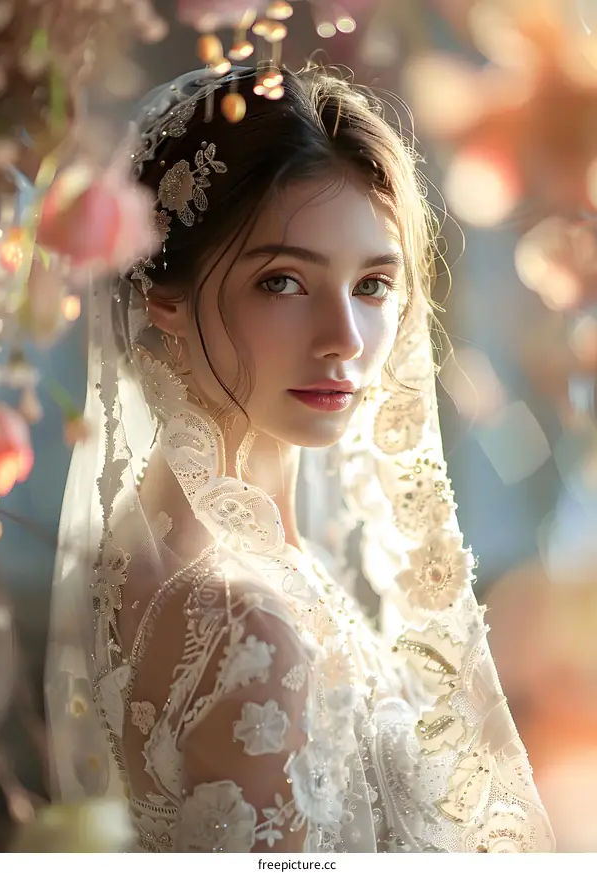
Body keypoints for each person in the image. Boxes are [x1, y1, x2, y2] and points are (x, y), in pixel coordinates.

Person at [45, 65, 555, 853]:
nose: (346, 340)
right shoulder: (242, 622)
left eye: (374, 284)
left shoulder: (189, 558)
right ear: (164, 298)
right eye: (282, 280)